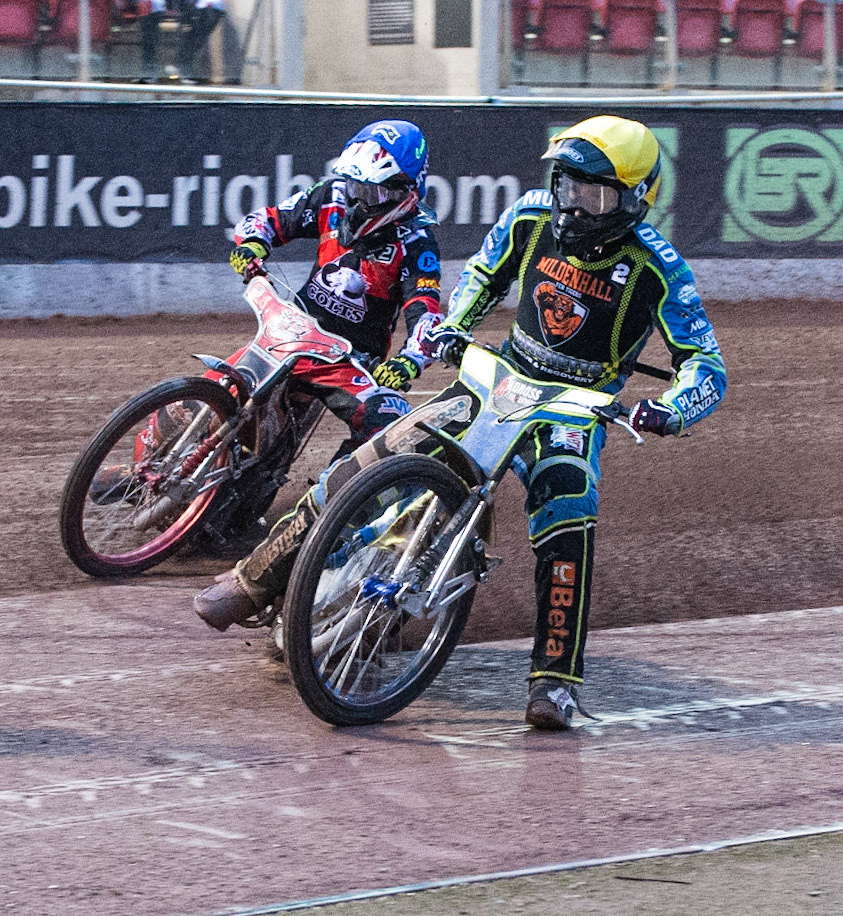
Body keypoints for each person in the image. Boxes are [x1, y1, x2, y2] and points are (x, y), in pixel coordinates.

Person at [195, 115, 726, 731]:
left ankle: (554, 682)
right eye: (565, 186)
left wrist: (670, 408)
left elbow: (706, 366)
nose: (571, 206)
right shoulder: (530, 215)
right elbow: (482, 274)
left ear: (634, 200)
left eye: (592, 194)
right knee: (366, 463)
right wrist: (455, 326)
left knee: (567, 525)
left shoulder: (659, 266)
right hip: (495, 381)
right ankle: (253, 580)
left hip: (574, 411)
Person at [226, 118, 444, 462]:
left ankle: (331, 502)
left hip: (350, 360)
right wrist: (252, 244)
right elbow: (268, 219)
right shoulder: (332, 195)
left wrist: (409, 361)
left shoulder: (417, 243)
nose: (359, 199)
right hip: (292, 334)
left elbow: (426, 312)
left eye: (373, 191)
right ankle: (153, 455)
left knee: (392, 426)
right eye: (356, 185)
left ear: (405, 190)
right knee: (218, 386)